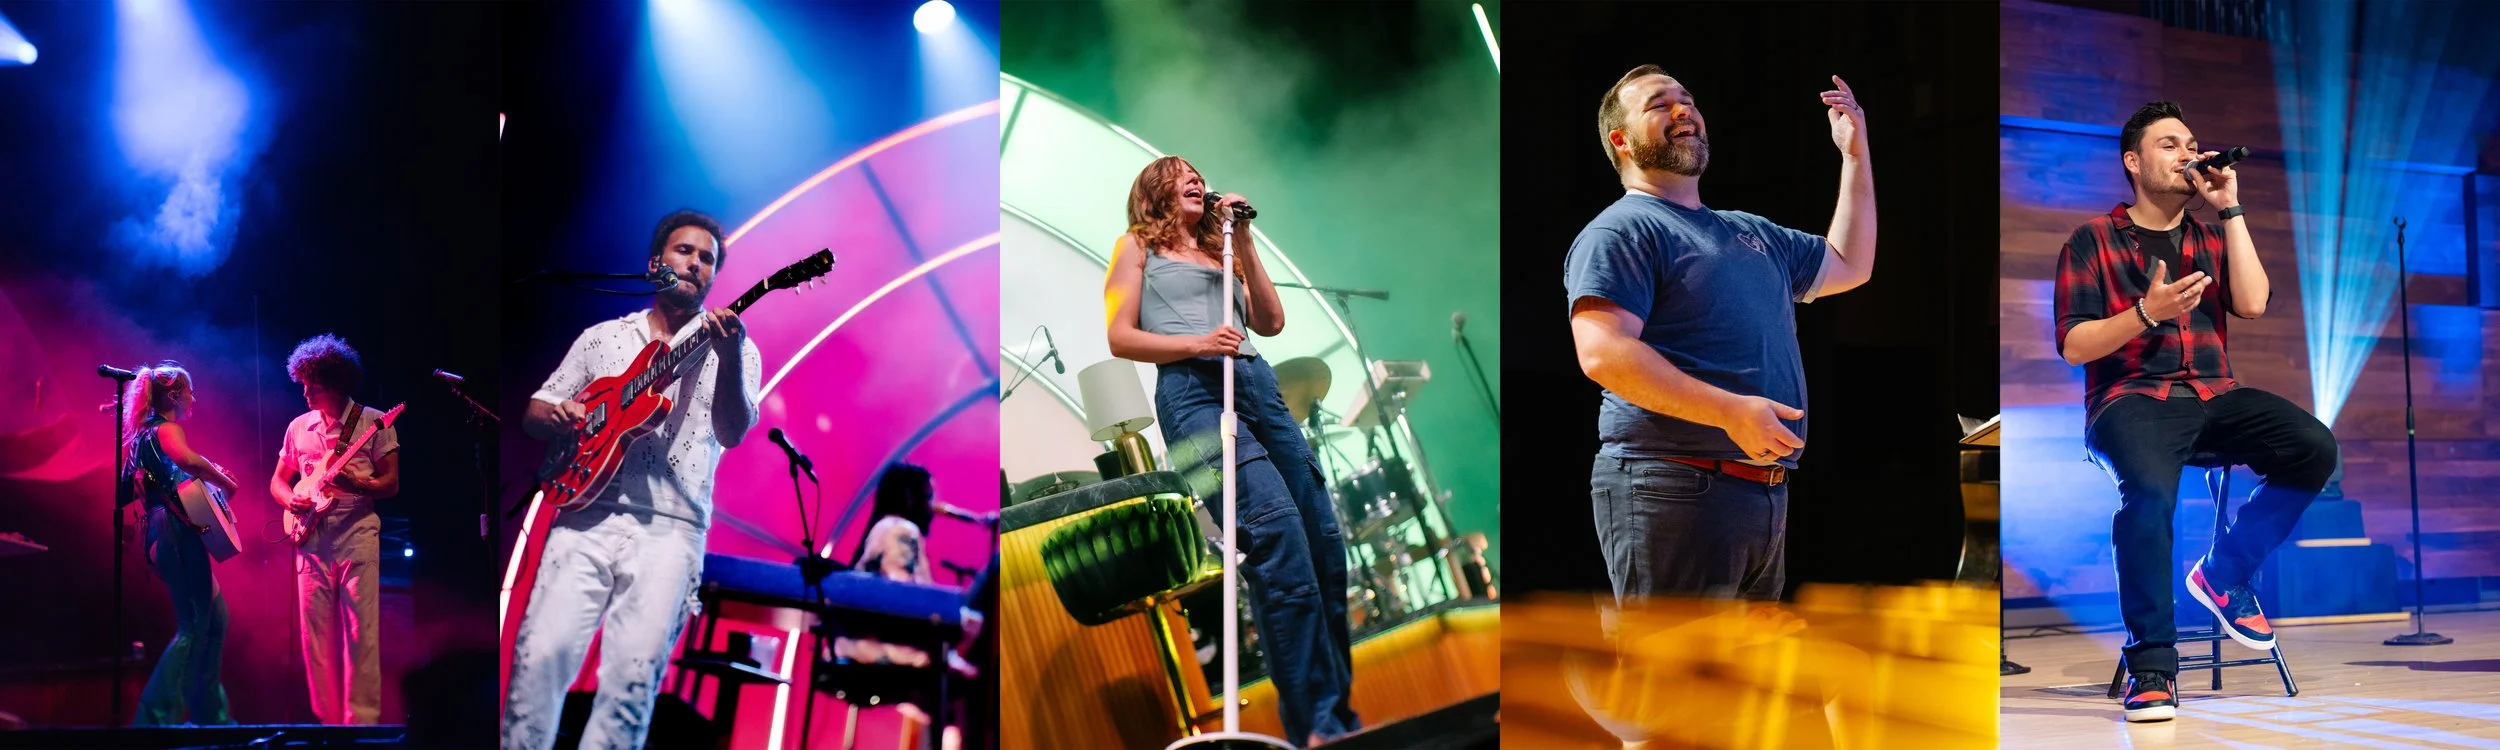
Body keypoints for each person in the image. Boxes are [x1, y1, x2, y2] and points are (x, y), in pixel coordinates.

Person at [2053, 101, 2337, 723]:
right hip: (2130, 400)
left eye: (2192, 144)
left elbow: (2254, 303)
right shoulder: (2093, 239)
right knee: (2149, 498)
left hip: (2214, 394)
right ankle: (2153, 667)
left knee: (2315, 447)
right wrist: (2146, 315)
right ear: (2134, 161)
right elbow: (2074, 345)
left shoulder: (2210, 236)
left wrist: (2229, 205)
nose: (2188, 154)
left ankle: (2225, 571)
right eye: (2170, 144)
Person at [1565, 66, 1876, 604]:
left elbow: (1851, 263)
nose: (1684, 111)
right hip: (1669, 486)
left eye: (1688, 99)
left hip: (1761, 492)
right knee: (1675, 683)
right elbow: (1602, 354)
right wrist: (1729, 412)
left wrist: (1854, 155)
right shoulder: (1623, 229)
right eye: (1660, 105)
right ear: (1621, 141)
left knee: (1743, 686)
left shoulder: (1749, 231)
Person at [1103, 155, 1359, 747]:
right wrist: (1197, 340)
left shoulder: (1224, 248)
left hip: (1257, 386)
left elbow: (1270, 321)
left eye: (1197, 173)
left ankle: (1340, 718)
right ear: (1152, 193)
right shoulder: (1136, 246)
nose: (1193, 178)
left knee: (1323, 542)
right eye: (1177, 174)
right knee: (1277, 535)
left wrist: (1242, 237)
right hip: (1192, 395)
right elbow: (1119, 336)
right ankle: (1316, 724)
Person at [504, 209, 763, 749]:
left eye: (707, 259)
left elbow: (734, 432)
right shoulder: (603, 338)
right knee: (540, 661)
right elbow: (536, 408)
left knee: (630, 684)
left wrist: (730, 355)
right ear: (655, 264)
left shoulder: (735, 346)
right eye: (685, 251)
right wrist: (554, 415)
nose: (696, 264)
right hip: (584, 515)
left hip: (671, 529)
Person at [269, 334, 399, 725]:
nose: (305, 391)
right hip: (310, 538)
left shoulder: (373, 421)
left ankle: (361, 722)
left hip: (356, 532)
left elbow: (392, 484)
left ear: (337, 383)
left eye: (314, 385)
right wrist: (290, 500)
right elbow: (278, 481)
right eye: (303, 383)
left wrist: (357, 485)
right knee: (315, 637)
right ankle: (326, 722)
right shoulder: (298, 427)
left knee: (362, 631)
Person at [122, 362, 242, 726]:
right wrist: (225, 481)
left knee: (216, 620)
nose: (194, 398)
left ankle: (210, 715)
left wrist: (208, 477)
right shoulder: (167, 429)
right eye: (190, 391)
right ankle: (155, 721)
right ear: (174, 395)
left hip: (159, 533)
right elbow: (186, 459)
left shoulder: (142, 435)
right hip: (175, 531)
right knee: (193, 625)